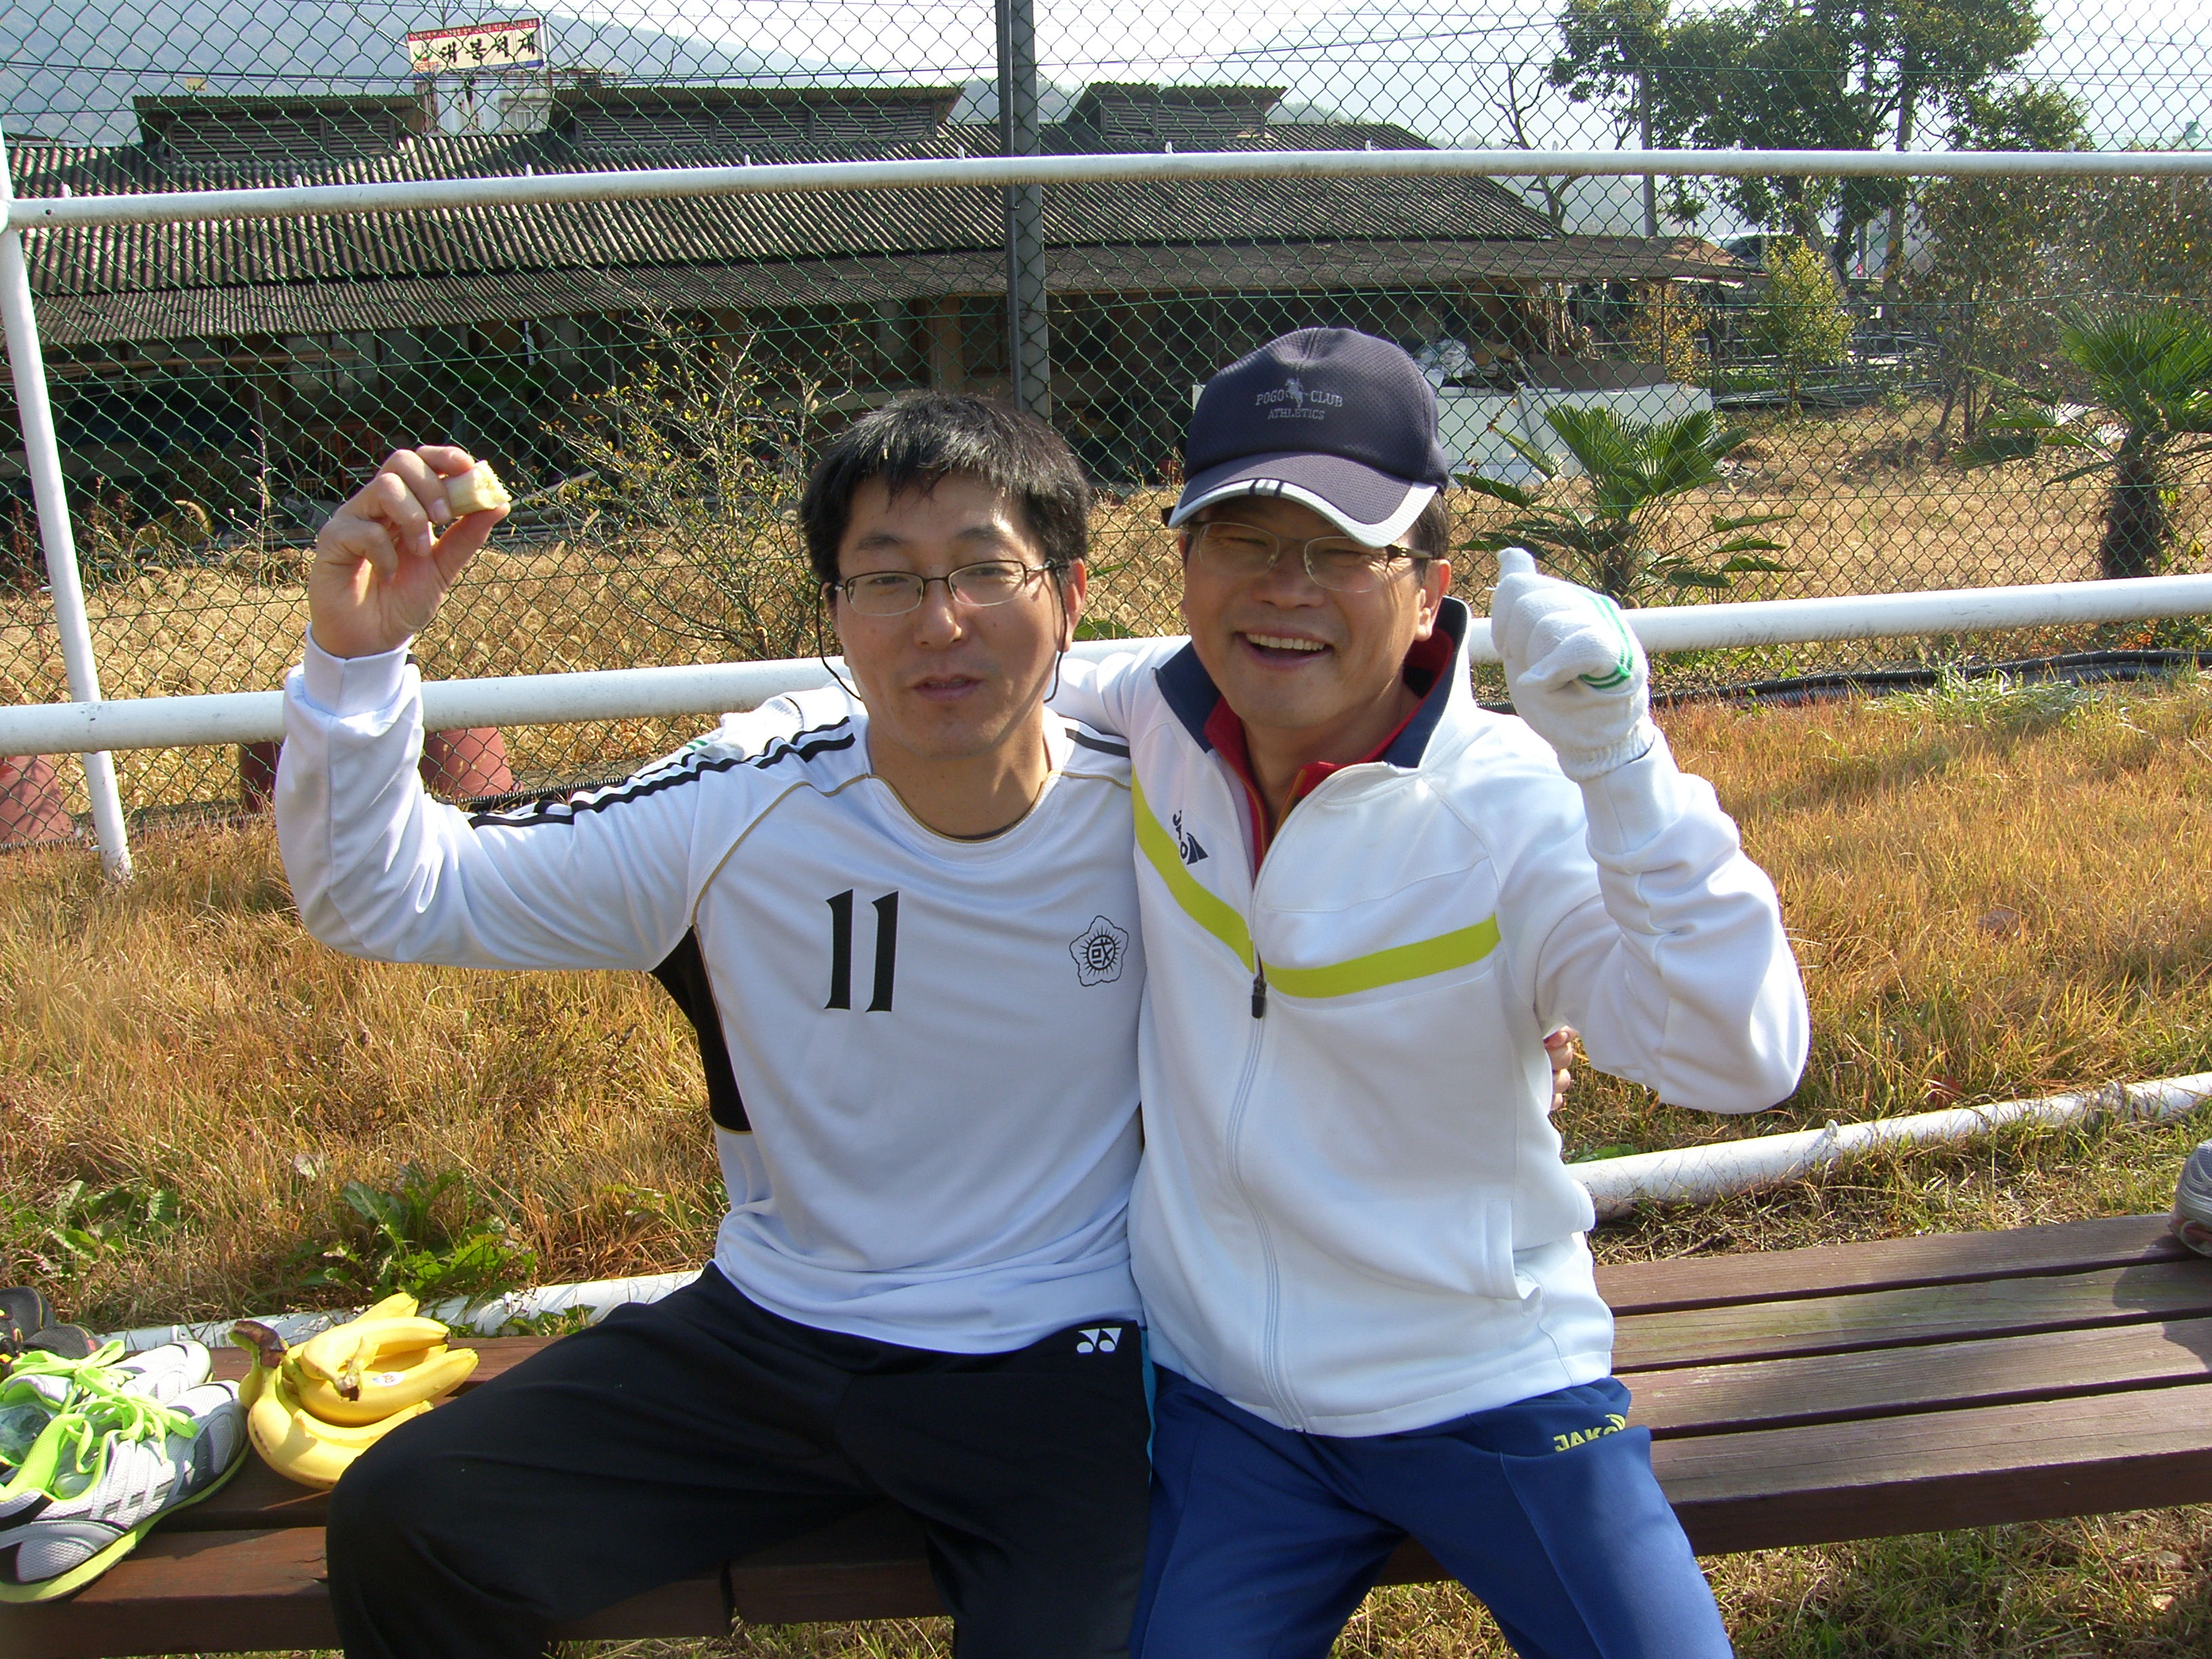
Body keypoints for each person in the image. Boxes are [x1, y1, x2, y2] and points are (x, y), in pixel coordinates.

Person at [274, 396, 1154, 1658]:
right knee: (411, 1519)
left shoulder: (1171, 803)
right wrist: (359, 656)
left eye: (983, 571)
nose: (941, 623)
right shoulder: (741, 806)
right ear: (835, 621)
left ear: (1069, 595)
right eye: (887, 582)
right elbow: (384, 893)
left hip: (1064, 1350)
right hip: (776, 1335)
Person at [1046, 328, 1811, 1658]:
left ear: (1429, 585)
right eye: (1243, 538)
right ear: (1183, 560)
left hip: (1490, 1386)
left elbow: (1742, 1056)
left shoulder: (1516, 804)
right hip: (1226, 1402)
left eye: (1341, 549)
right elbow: (951, 689)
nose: (1286, 590)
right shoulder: (1155, 713)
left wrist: (1622, 764)